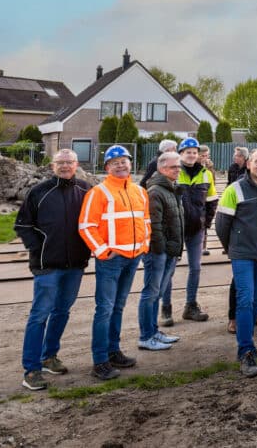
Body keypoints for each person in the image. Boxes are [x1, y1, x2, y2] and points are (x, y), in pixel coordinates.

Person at [15, 148, 92, 390]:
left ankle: (49, 356)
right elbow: (22, 224)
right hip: (47, 265)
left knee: (62, 311)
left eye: (69, 162)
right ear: (52, 166)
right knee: (40, 315)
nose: (65, 166)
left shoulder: (86, 190)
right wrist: (39, 249)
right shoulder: (39, 192)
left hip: (76, 264)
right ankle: (31, 369)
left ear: (76, 164)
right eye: (61, 163)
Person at [79, 145, 150, 381]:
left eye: (124, 161)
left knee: (118, 307)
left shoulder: (139, 191)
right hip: (111, 260)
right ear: (107, 167)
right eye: (115, 162)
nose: (121, 165)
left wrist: (144, 246)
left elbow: (146, 221)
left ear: (130, 164)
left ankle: (113, 351)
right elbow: (86, 226)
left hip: (132, 257)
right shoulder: (98, 192)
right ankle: (100, 361)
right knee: (105, 309)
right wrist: (102, 251)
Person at [215, 147, 257, 377]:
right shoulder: (235, 189)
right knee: (244, 299)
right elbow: (222, 224)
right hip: (242, 254)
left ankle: (249, 342)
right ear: (249, 164)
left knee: (255, 301)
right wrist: (232, 248)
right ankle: (245, 352)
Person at [138, 151, 184, 352]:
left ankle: (154, 331)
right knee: (150, 293)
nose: (178, 170)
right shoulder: (156, 191)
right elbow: (154, 225)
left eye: (179, 166)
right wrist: (161, 251)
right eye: (174, 167)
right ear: (162, 168)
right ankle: (146, 336)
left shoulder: (170, 189)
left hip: (168, 251)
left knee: (156, 294)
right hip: (158, 252)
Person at [172, 137, 214, 324]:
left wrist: (206, 223)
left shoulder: (206, 174)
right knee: (169, 270)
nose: (191, 155)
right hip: (174, 230)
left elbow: (212, 201)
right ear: (180, 154)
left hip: (196, 229)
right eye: (187, 152)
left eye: (194, 152)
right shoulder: (173, 172)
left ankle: (191, 305)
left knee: (195, 268)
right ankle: (166, 307)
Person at [199, 145, 218, 256]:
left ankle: (203, 247)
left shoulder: (209, 167)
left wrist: (210, 169)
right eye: (203, 155)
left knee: (205, 224)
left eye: (207, 155)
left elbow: (213, 182)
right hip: (195, 201)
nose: (205, 158)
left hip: (207, 199)